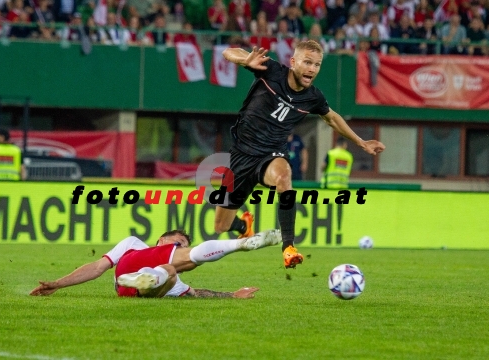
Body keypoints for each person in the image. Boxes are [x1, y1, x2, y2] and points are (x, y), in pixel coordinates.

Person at [214, 40, 385, 269]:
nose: (312, 68)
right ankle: (243, 226)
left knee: (284, 177)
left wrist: (361, 142)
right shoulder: (272, 71)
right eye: (307, 62)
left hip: (271, 154)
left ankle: (288, 247)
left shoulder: (313, 97)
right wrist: (245, 59)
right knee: (221, 225)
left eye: (317, 64)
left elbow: (332, 117)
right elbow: (227, 51)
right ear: (293, 62)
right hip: (241, 156)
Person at [30, 229, 281, 298]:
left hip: (144, 290)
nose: (179, 246)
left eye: (183, 245)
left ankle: (150, 278)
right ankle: (240, 244)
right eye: (177, 242)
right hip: (129, 269)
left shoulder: (177, 270)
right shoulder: (133, 244)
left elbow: (196, 293)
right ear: (162, 240)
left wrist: (232, 296)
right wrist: (58, 284)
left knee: (172, 272)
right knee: (177, 264)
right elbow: (98, 267)